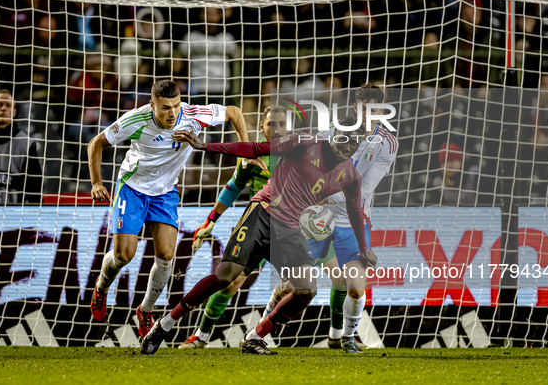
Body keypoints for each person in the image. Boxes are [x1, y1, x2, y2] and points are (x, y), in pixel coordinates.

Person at [141, 116, 377, 356]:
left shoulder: (350, 176)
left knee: (306, 290)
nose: (347, 147)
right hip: (263, 213)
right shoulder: (305, 143)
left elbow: (354, 210)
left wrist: (364, 247)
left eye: (354, 144)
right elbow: (255, 148)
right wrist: (205, 146)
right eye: (344, 140)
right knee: (226, 276)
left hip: (291, 230)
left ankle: (254, 337)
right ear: (334, 134)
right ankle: (165, 325)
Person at [88, 80, 249, 339]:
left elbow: (233, 112)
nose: (172, 113)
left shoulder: (194, 115)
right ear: (152, 105)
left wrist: (244, 151)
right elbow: (96, 143)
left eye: (176, 106)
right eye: (165, 108)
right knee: (124, 255)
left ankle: (146, 310)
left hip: (165, 193)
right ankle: (101, 287)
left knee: (166, 255)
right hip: (132, 188)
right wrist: (96, 182)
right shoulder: (136, 119)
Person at [260, 83, 398, 353]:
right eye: (365, 108)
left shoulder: (388, 143)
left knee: (356, 287)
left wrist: (323, 193)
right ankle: (263, 328)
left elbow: (365, 189)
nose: (370, 114)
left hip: (352, 221)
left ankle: (345, 337)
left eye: (376, 109)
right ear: (356, 108)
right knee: (291, 284)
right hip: (317, 218)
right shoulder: (330, 133)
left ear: (382, 111)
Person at [179, 105, 287, 348]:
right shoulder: (253, 156)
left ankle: (261, 332)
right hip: (260, 225)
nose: (277, 129)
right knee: (231, 282)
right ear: (262, 127)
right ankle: (202, 334)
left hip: (293, 228)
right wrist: (210, 222)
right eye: (272, 124)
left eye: (282, 124)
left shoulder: (299, 151)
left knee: (298, 283)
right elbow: (232, 188)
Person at [0, 89, 42, 205]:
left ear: (13, 112)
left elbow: (35, 191)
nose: (3, 108)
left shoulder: (26, 144)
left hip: (11, 219)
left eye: (8, 105)